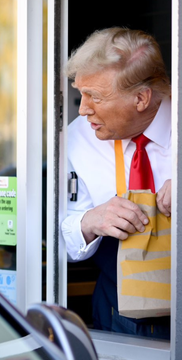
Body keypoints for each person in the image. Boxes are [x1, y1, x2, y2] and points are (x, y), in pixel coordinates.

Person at [61, 27, 172, 339]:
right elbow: (62, 238)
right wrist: (89, 221)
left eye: (94, 97)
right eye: (80, 93)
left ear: (141, 98)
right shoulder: (78, 137)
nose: (83, 109)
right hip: (117, 311)